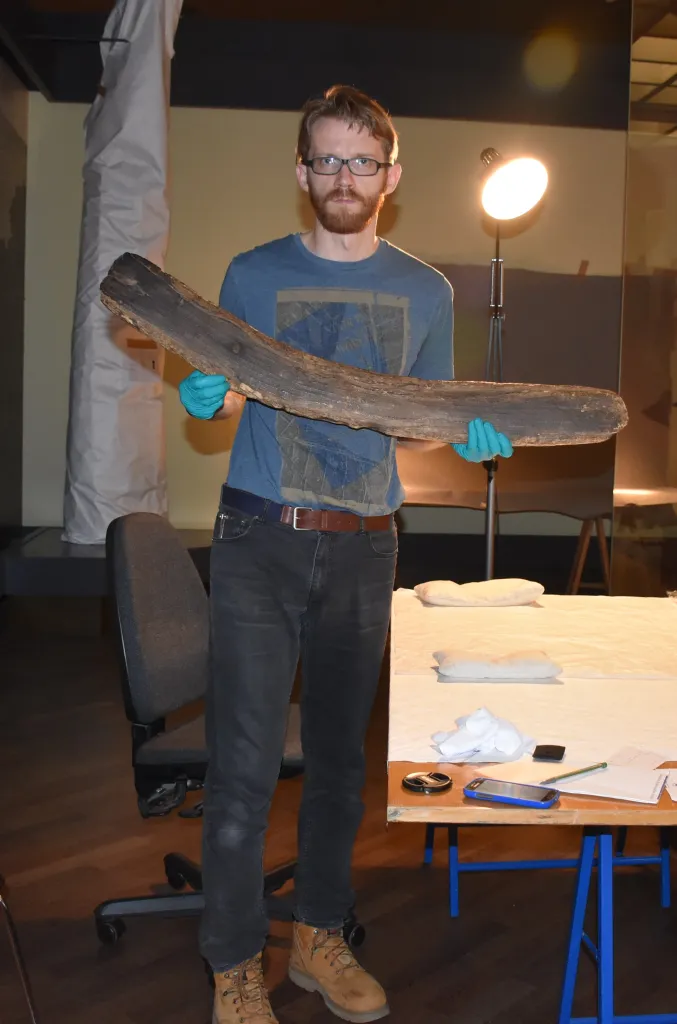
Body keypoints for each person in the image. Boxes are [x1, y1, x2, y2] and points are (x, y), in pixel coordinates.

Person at [178, 84, 513, 1024]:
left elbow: (419, 423)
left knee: (336, 765)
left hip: (366, 546)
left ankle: (317, 939)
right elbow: (234, 390)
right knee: (242, 773)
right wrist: (209, 398)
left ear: (390, 176)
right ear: (301, 171)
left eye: (360, 161)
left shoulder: (424, 290)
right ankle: (234, 965)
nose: (342, 176)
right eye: (325, 159)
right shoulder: (250, 273)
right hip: (257, 538)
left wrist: (464, 433)